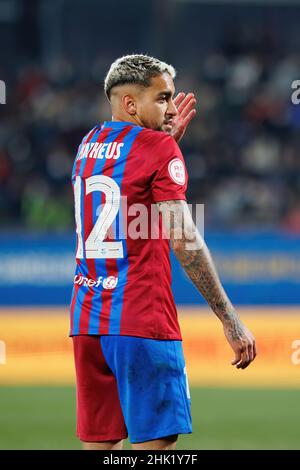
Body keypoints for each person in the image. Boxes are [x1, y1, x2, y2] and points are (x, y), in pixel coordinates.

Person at [69, 54, 256, 451]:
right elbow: (185, 240)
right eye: (163, 98)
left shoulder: (87, 145)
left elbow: (128, 183)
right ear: (131, 104)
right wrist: (230, 319)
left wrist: (163, 144)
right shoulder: (158, 149)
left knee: (100, 446)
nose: (172, 109)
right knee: (155, 447)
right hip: (141, 321)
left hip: (87, 322)